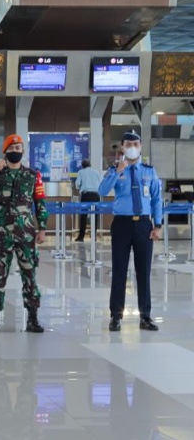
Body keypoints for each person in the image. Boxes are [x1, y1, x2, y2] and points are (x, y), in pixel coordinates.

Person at [0, 134, 48, 334]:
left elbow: (40, 202)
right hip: (3, 235)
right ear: (5, 151)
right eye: (12, 148)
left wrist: (42, 228)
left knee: (30, 276)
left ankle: (32, 318)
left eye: (19, 149)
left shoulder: (32, 175)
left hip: (26, 234)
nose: (16, 152)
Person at [98, 130, 162, 332]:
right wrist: (118, 171)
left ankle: (145, 316)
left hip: (144, 224)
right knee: (119, 270)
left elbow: (156, 199)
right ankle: (116, 316)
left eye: (136, 144)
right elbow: (101, 191)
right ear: (123, 147)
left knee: (143, 271)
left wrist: (158, 225)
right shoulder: (115, 169)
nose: (132, 147)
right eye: (128, 144)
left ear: (141, 146)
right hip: (122, 225)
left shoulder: (149, 171)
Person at [74, 159, 102, 242]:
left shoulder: (81, 172)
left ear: (82, 166)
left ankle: (81, 237)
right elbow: (101, 183)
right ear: (90, 165)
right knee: (95, 215)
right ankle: (93, 236)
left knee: (83, 216)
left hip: (86, 195)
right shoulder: (96, 172)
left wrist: (80, 187)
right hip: (96, 195)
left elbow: (77, 184)